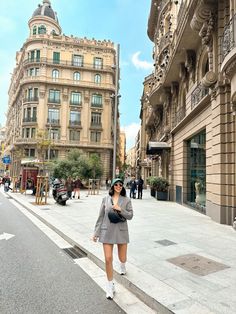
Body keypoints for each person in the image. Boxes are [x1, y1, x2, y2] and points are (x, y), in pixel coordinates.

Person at [92, 178, 133, 300]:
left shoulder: (127, 200)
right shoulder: (105, 199)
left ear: (122, 187)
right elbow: (100, 217)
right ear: (113, 186)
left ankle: (122, 265)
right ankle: (110, 286)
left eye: (120, 184)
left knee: (122, 257)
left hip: (121, 231)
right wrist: (96, 232)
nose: (118, 186)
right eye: (116, 184)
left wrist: (121, 209)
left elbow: (130, 216)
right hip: (107, 231)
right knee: (108, 258)